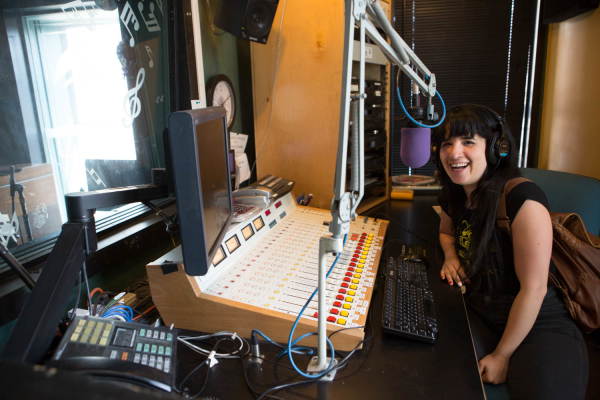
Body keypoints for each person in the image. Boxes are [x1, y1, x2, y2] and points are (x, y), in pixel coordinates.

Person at [433, 104, 588, 399]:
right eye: (447, 143)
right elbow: (445, 232)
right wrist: (451, 256)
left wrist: (502, 355)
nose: (454, 153)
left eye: (468, 142)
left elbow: (534, 289)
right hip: (480, 313)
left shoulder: (523, 199)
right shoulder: (454, 193)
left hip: (537, 323)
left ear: (495, 149)